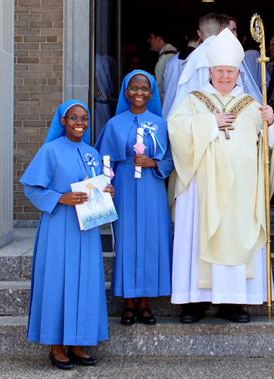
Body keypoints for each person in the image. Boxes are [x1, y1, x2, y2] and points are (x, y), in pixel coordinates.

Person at [168, 28, 274, 324]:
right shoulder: (194, 101)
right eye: (219, 71)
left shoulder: (252, 104)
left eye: (229, 72)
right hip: (201, 189)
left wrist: (272, 123)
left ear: (237, 73)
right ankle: (195, 303)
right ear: (211, 71)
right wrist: (209, 122)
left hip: (240, 192)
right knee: (197, 241)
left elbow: (267, 145)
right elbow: (177, 131)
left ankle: (234, 302)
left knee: (237, 238)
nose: (224, 77)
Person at [20, 100, 111, 370]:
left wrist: (107, 193)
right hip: (59, 227)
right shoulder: (50, 151)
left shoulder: (92, 152)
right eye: (73, 118)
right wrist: (61, 198)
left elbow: (95, 185)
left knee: (85, 282)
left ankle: (78, 343)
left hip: (88, 230)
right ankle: (56, 346)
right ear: (62, 121)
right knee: (58, 283)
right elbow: (32, 189)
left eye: (84, 118)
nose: (80, 122)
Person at [95, 70, 173, 326]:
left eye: (145, 89)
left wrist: (153, 162)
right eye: (134, 88)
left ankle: (146, 303)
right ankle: (128, 302)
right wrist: (106, 184)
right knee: (127, 242)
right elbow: (104, 159)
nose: (139, 93)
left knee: (152, 240)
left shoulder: (161, 124)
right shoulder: (114, 124)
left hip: (152, 187)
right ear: (126, 92)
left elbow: (173, 158)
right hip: (124, 186)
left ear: (152, 93)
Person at [167, 13, 262, 117]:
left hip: (200, 118)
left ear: (199, 33)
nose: (224, 76)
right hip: (234, 113)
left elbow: (182, 96)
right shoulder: (231, 52)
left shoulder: (194, 57)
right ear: (221, 30)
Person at [161, 31, 200, 119]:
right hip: (187, 116)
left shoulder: (171, 61)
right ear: (201, 39)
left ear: (186, 38)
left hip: (167, 111)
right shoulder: (200, 61)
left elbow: (164, 89)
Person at [147, 31, 178, 98]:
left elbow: (159, 87)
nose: (148, 40)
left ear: (159, 39)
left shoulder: (166, 57)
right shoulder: (174, 54)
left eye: (151, 38)